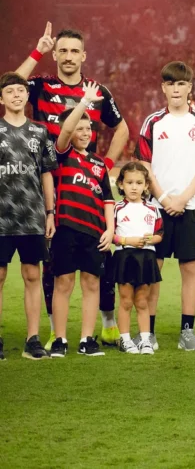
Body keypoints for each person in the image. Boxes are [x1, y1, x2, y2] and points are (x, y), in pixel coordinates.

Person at [15, 23, 129, 349]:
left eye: (73, 51)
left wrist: (104, 165)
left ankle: (106, 325)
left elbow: (122, 130)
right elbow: (10, 86)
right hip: (45, 182)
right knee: (53, 261)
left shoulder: (97, 91)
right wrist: (37, 50)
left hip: (84, 184)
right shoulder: (42, 86)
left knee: (97, 257)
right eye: (61, 50)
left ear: (84, 56)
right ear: (55, 54)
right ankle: (56, 331)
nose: (68, 56)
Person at [135, 61, 195, 352]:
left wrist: (183, 198)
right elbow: (144, 166)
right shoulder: (153, 122)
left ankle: (187, 331)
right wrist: (163, 198)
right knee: (153, 269)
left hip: (191, 206)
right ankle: (149, 333)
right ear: (163, 88)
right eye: (170, 84)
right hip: (156, 209)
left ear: (189, 87)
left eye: (181, 84)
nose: (176, 89)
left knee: (191, 269)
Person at [49, 83, 116, 357]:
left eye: (89, 129)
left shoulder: (99, 164)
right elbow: (65, 129)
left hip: (93, 232)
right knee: (63, 283)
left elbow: (108, 201)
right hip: (65, 229)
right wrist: (84, 102)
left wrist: (110, 229)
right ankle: (60, 340)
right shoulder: (62, 155)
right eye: (80, 128)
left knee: (92, 284)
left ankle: (87, 340)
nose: (85, 132)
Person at [0, 72, 57, 360]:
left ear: (26, 96)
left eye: (21, 90)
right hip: (1, 217)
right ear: (2, 98)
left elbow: (47, 174)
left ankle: (32, 340)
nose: (17, 95)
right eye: (10, 91)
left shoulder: (40, 132)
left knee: (32, 274)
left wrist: (50, 212)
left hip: (32, 216)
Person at [110, 162, 163, 355]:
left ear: (146, 186)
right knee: (125, 301)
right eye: (129, 182)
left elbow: (159, 234)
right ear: (121, 184)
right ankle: (124, 339)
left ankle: (145, 340)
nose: (134, 187)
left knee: (142, 301)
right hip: (125, 256)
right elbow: (111, 235)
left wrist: (153, 238)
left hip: (146, 257)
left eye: (139, 183)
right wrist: (127, 240)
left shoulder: (152, 209)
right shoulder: (117, 208)